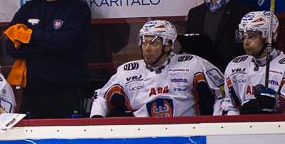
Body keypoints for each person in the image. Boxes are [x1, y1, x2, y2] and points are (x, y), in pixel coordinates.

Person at [3, 0, 90, 118]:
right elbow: (10, 47)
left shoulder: (78, 10)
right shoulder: (28, 8)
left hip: (67, 91)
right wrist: (51, 44)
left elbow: (68, 44)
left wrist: (30, 37)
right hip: (32, 93)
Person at [91, 20, 225, 118]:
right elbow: (102, 98)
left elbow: (223, 94)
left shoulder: (193, 64)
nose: (146, 48)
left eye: (153, 42)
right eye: (144, 42)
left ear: (168, 45)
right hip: (143, 138)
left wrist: (217, 126)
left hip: (188, 135)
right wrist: (96, 119)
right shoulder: (127, 71)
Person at [217, 11, 285, 116]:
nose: (246, 42)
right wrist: (241, 118)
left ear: (268, 37)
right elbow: (228, 106)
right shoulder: (234, 65)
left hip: (277, 130)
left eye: (251, 36)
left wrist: (277, 104)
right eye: (243, 35)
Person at [185, 0, 255, 69]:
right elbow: (186, 49)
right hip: (201, 79)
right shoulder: (195, 13)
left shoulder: (245, 12)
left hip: (233, 78)